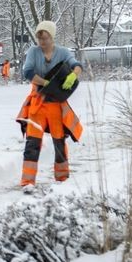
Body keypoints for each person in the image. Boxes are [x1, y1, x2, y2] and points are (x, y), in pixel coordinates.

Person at [16, 21, 83, 189]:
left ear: (52, 37)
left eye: (45, 38)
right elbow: (28, 72)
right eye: (39, 38)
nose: (42, 42)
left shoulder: (62, 52)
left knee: (59, 142)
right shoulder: (33, 52)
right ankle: (27, 181)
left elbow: (76, 65)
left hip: (55, 105)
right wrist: (45, 82)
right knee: (32, 143)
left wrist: (73, 75)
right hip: (37, 104)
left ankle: (62, 178)